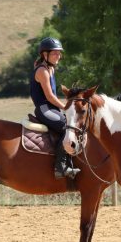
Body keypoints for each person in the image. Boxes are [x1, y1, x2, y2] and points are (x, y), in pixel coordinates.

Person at [30, 37, 80, 179]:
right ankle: (60, 167)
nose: (59, 56)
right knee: (66, 127)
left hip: (52, 109)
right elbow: (50, 96)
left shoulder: (50, 68)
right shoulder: (42, 71)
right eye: (55, 53)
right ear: (44, 55)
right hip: (44, 109)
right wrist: (65, 106)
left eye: (59, 53)